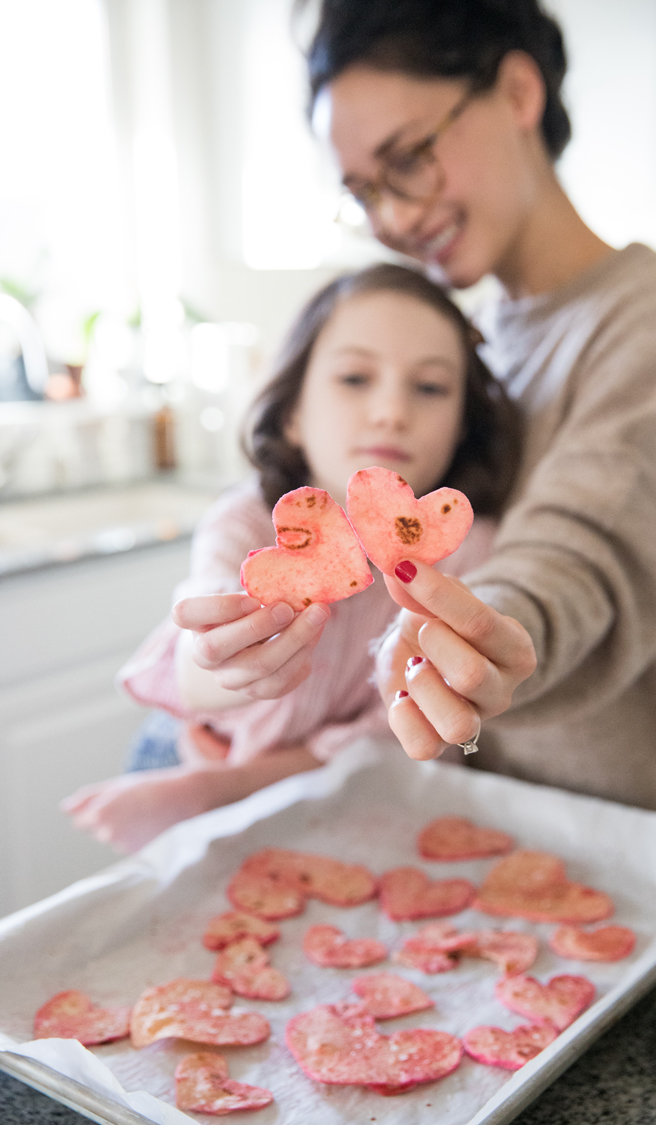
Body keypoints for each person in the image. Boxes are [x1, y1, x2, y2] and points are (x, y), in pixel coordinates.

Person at [303, 0, 656, 830]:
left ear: (516, 92)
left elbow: (576, 560)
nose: (394, 217)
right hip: (501, 825)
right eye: (364, 190)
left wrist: (487, 631)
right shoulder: (456, 356)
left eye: (408, 159)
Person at [61, 264, 522, 852]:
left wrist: (225, 789)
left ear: (462, 426)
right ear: (292, 414)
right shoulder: (244, 521)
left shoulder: (467, 551)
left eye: (430, 387)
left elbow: (398, 740)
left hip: (331, 791)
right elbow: (191, 653)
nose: (390, 411)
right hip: (187, 764)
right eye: (355, 377)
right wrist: (222, 658)